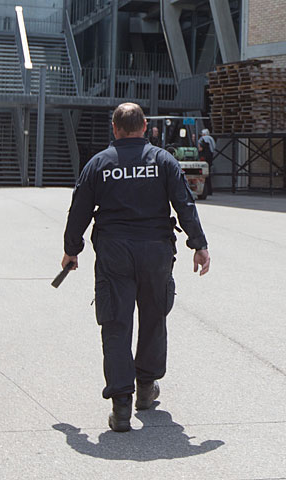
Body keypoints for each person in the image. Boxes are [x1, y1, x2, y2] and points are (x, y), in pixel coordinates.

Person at [61, 103, 210, 433]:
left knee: (116, 321)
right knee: (154, 316)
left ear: (115, 129)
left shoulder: (99, 164)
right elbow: (184, 203)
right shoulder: (163, 161)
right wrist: (199, 245)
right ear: (144, 127)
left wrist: (72, 251)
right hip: (156, 251)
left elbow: (79, 210)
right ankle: (145, 388)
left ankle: (122, 405)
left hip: (114, 251)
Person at [198, 128, 216, 196]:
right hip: (210, 158)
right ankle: (209, 190)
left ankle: (206, 190)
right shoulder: (211, 139)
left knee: (204, 176)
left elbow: (200, 147)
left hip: (204, 159)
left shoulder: (203, 139)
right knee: (208, 175)